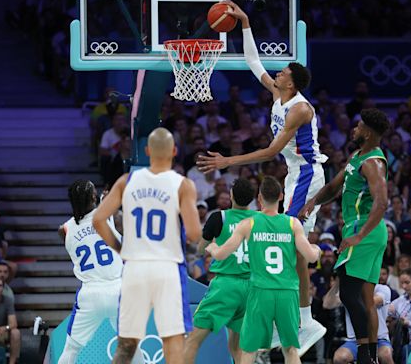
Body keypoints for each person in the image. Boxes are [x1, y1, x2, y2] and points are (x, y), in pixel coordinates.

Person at [197, 0, 328, 352]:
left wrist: (228, 162)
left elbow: (270, 151)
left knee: (289, 241)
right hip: (294, 175)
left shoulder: (299, 108)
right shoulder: (278, 93)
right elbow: (252, 61)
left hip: (307, 177)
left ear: (292, 82)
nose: (278, 73)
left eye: (283, 72)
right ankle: (303, 320)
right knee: (293, 246)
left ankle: (303, 320)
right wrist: (245, 23)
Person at [93, 128, 201, 364]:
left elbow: (98, 220)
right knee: (173, 341)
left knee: (126, 345)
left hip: (135, 267)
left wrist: (120, 248)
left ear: (147, 151)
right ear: (174, 151)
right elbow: (194, 234)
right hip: (167, 268)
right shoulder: (183, 185)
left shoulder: (126, 181)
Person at [300, 108, 390, 364]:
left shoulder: (373, 162)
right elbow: (333, 186)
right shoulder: (357, 156)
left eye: (359, 127)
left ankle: (363, 356)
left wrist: (359, 235)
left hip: (364, 230)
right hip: (368, 231)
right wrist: (314, 201)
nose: (354, 129)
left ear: (369, 133)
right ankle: (370, 356)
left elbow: (382, 202)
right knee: (364, 298)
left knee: (349, 294)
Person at [206, 176, 321, 364]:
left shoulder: (249, 223)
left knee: (249, 350)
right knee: (291, 350)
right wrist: (316, 249)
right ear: (281, 197)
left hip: (260, 292)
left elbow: (220, 255)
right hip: (287, 292)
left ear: (259, 198)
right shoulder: (293, 224)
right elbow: (311, 257)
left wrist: (211, 248)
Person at [57, 179, 143, 364]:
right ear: (93, 197)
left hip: (89, 293)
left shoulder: (63, 230)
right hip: (118, 290)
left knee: (71, 349)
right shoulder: (108, 215)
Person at [184, 178, 256, 364]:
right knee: (238, 346)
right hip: (252, 287)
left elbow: (200, 249)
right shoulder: (260, 220)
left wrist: (213, 244)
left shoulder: (220, 217)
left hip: (226, 285)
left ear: (231, 195)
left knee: (192, 339)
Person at [323, 280, 393, 364]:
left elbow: (372, 302)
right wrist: (338, 283)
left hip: (380, 339)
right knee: (339, 358)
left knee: (386, 355)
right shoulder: (348, 290)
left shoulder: (382, 288)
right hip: (354, 340)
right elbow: (326, 304)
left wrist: (350, 297)